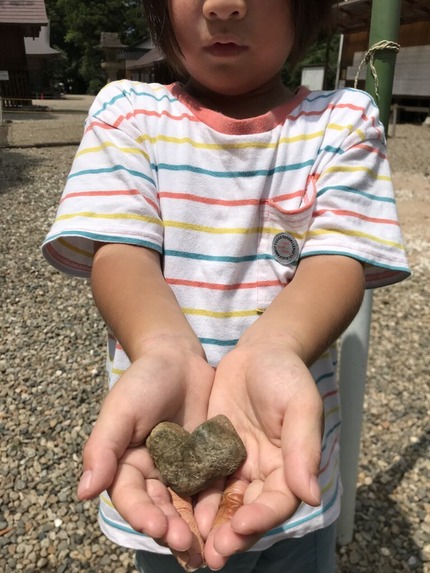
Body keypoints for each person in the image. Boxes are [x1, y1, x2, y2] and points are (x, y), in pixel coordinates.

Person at [42, 0, 410, 571]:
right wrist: (165, 349)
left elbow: (338, 263)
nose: (223, 4)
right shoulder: (126, 112)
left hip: (286, 463)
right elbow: (120, 254)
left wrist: (273, 345)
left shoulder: (344, 120)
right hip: (159, 471)